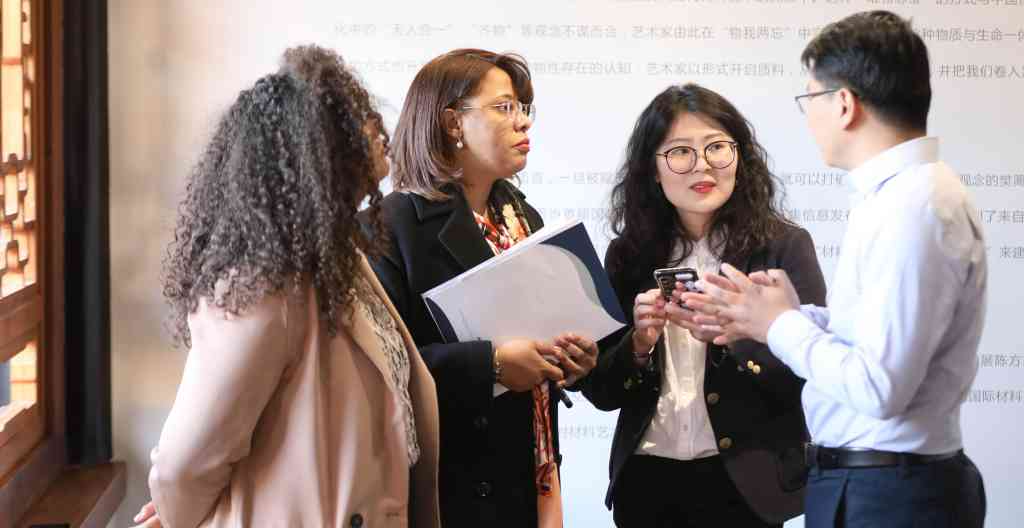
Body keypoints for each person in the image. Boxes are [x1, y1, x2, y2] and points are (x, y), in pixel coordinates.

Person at [685, 11, 987, 528]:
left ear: (844, 104)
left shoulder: (914, 207)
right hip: (879, 485)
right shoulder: (902, 197)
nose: (808, 118)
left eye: (810, 99)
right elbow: (874, 343)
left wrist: (781, 325)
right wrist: (782, 315)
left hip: (889, 494)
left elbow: (879, 387)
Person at [132, 45, 440, 528]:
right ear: (317, 146)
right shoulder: (264, 288)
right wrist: (181, 518)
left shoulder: (338, 256)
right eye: (356, 117)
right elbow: (183, 465)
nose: (377, 128)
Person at [359, 48, 598, 528]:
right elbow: (378, 369)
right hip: (454, 485)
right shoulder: (390, 224)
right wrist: (491, 365)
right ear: (453, 123)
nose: (523, 122)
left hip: (531, 469)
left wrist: (573, 359)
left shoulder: (524, 218)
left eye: (523, 108)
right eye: (504, 107)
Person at [581, 83, 826, 528]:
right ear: (653, 170)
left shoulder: (784, 247)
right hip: (647, 481)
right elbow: (600, 390)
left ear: (740, 158)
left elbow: (813, 374)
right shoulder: (628, 255)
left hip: (747, 485)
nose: (702, 165)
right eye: (680, 152)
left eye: (717, 147)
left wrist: (735, 335)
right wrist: (638, 344)